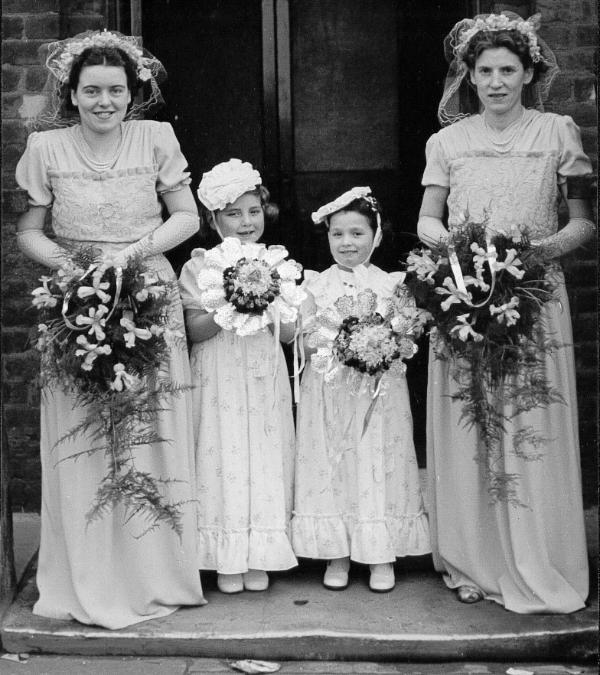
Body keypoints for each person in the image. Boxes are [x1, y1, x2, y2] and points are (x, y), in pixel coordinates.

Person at [15, 30, 205, 628]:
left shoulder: (157, 138)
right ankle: (88, 572)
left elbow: (186, 217)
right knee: (84, 431)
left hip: (146, 287)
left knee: (151, 426)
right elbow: (29, 232)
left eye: (116, 90)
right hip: (77, 297)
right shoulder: (46, 147)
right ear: (71, 94)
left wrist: (127, 258)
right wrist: (77, 269)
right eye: (91, 90)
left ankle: (156, 570)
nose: (104, 101)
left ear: (133, 92)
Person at [417, 12, 595, 613]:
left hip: (534, 295)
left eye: (507, 71)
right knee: (473, 421)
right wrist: (463, 257)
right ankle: (474, 559)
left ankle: (536, 557)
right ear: (469, 75)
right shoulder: (448, 141)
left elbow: (582, 221)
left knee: (528, 422)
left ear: (527, 74)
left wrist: (524, 257)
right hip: (465, 295)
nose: (495, 82)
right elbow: (427, 219)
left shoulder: (557, 132)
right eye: (485, 71)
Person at [291, 187, 430, 593]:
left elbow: (406, 337)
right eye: (338, 234)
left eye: (357, 233)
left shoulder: (391, 286)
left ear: (377, 235)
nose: (347, 243)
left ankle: (379, 553)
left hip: (379, 393)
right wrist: (333, 342)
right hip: (331, 393)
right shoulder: (315, 285)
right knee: (335, 463)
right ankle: (338, 552)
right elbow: (303, 337)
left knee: (376, 460)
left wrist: (386, 343)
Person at [178, 159, 298, 594]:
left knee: (264, 451)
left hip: (263, 373)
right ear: (213, 220)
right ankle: (224, 555)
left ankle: (261, 552)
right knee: (220, 451)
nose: (246, 222)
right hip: (219, 373)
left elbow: (288, 334)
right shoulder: (198, 266)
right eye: (233, 213)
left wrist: (269, 303)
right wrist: (229, 304)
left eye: (253, 211)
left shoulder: (278, 262)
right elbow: (194, 332)